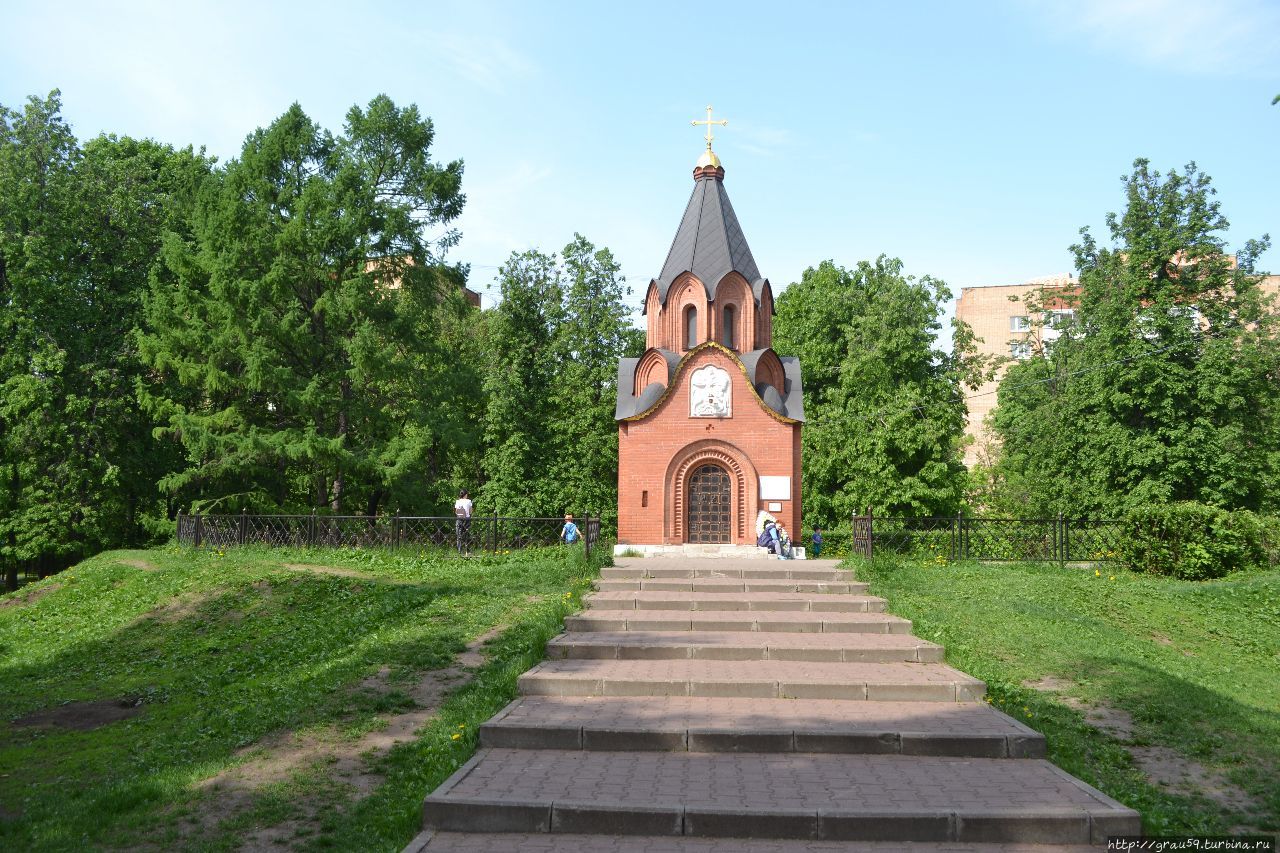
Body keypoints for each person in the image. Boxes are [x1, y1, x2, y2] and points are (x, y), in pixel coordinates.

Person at [454, 489, 473, 554]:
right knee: (467, 535)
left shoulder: (457, 501)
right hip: (467, 519)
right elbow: (470, 511)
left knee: (459, 535)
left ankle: (459, 551)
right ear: (465, 494)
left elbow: (456, 511)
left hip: (459, 519)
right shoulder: (469, 501)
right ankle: (467, 551)